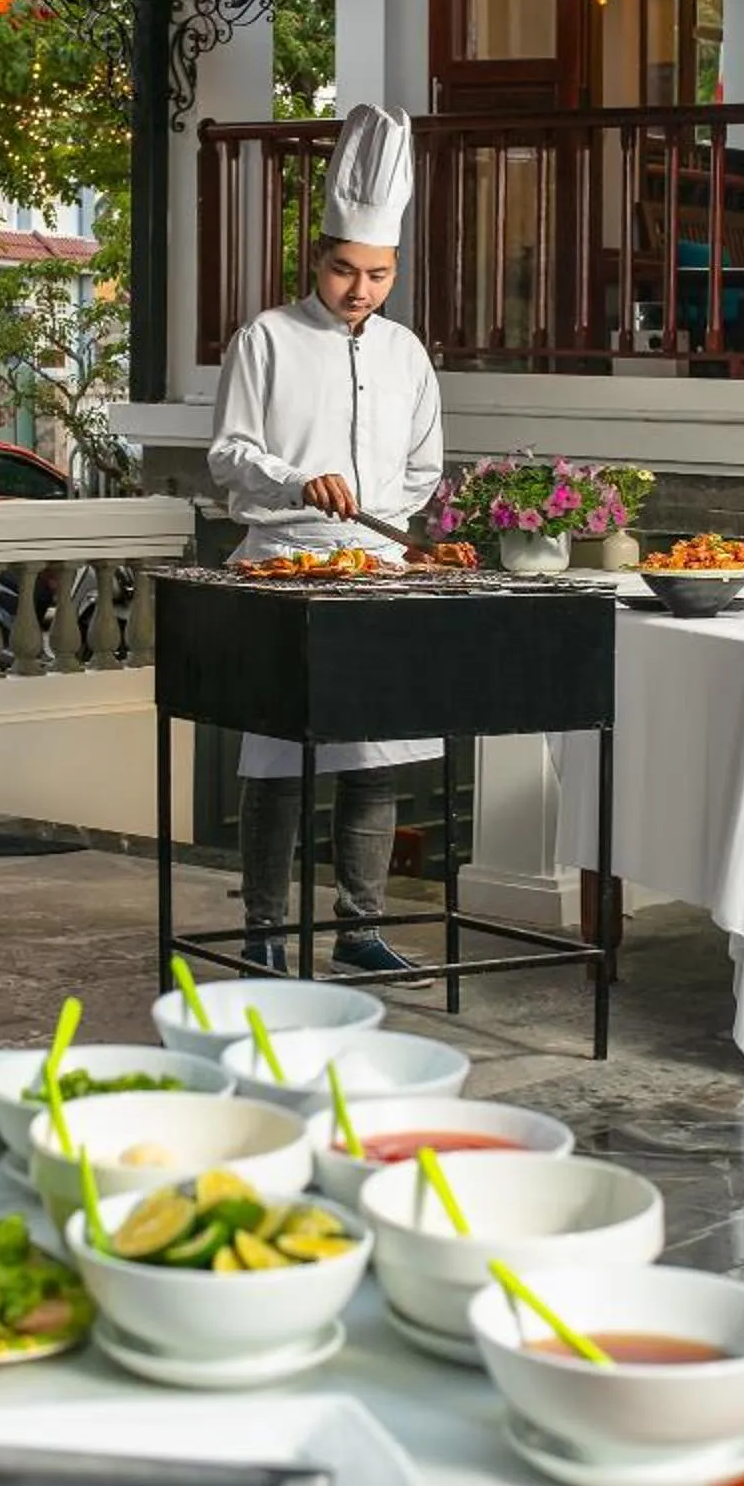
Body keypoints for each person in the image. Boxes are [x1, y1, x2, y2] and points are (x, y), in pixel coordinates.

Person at [208, 103, 441, 985]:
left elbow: (422, 469)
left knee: (373, 757)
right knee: (278, 759)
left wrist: (378, 515)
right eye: (346, 271)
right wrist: (294, 483)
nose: (360, 291)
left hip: (375, 572)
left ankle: (360, 927)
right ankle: (264, 930)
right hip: (283, 569)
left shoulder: (408, 356)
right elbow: (229, 457)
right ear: (317, 261)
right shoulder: (266, 341)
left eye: (378, 275)